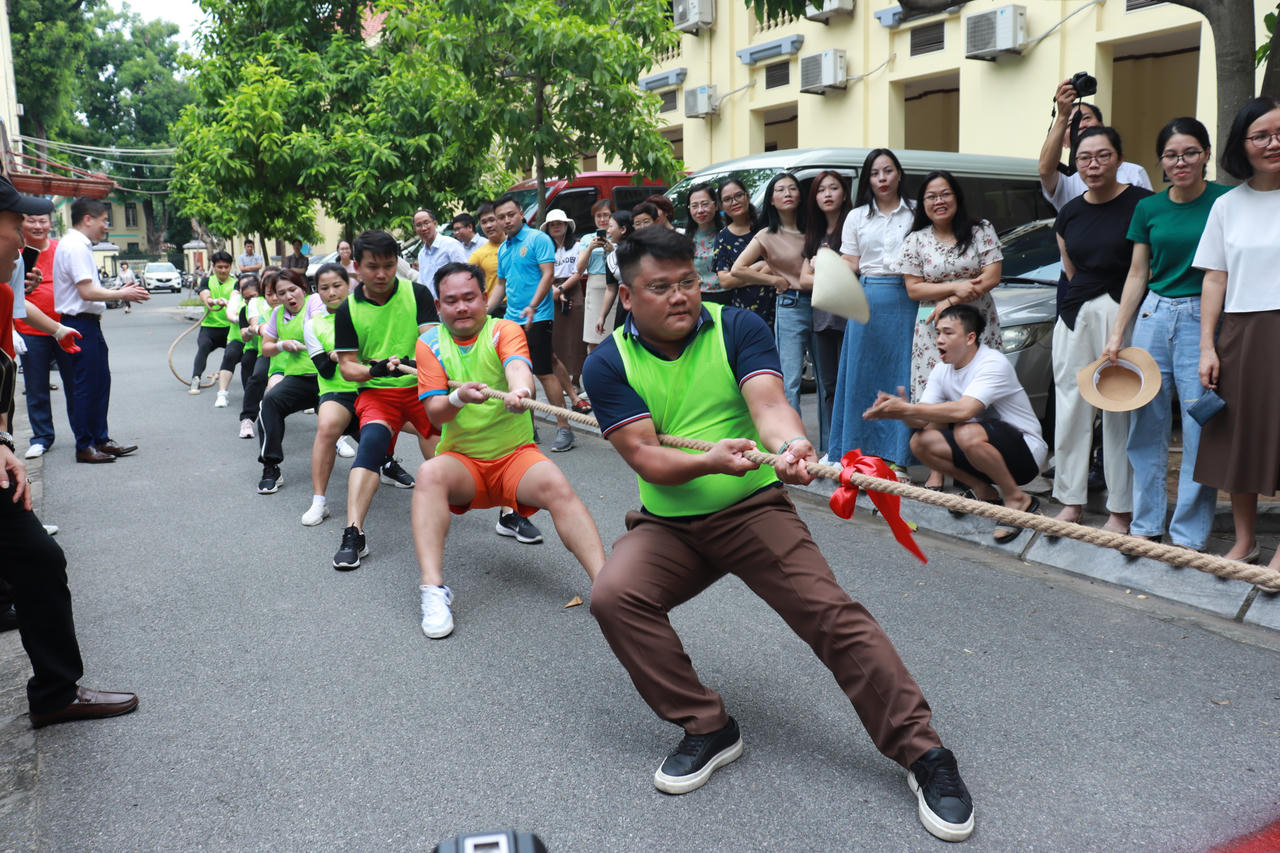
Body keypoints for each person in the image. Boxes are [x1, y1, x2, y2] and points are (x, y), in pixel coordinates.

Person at [582, 227, 974, 843]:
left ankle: (925, 754)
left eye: (687, 281)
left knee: (830, 613)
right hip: (669, 523)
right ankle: (708, 725)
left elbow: (768, 403)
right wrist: (710, 460)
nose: (680, 296)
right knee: (614, 596)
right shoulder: (608, 362)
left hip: (750, 508)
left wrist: (790, 444)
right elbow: (647, 458)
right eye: (660, 287)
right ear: (627, 298)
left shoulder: (737, 326)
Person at [0, 174, 139, 729]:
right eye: (16, 225)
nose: (25, 238)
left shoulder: (7, 286)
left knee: (29, 562)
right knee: (39, 561)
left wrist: (3, 440)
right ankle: (57, 692)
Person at [411, 263, 605, 637]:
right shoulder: (429, 342)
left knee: (556, 485)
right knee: (429, 474)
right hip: (464, 463)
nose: (462, 307)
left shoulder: (505, 329)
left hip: (516, 457)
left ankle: (607, 588)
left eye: (470, 298)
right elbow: (435, 411)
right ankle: (433, 590)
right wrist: (458, 396)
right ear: (438, 306)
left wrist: (522, 392)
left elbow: (518, 369)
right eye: (452, 301)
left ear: (485, 299)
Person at [1102, 117, 1228, 550]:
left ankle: (1189, 537)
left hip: (1202, 317)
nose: (1181, 162)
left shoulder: (1226, 201)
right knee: (1145, 423)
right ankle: (1145, 527)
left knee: (1198, 426)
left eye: (1190, 152)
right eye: (1172, 155)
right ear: (1161, 161)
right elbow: (1138, 274)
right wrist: (1119, 333)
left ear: (1206, 155)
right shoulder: (1149, 208)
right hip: (1153, 316)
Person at [865, 304, 1047, 542]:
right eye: (938, 332)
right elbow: (923, 418)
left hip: (1026, 453)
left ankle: (1017, 498)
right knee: (921, 443)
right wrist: (897, 411)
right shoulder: (941, 371)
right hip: (980, 450)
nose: (939, 339)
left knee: (965, 431)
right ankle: (984, 491)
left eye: (948, 333)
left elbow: (964, 410)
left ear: (970, 337)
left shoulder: (992, 363)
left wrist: (909, 408)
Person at [1192, 95, 1280, 570]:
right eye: (1261, 135)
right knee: (1239, 439)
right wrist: (1207, 345)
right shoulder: (1227, 205)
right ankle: (1245, 541)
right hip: (1242, 333)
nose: (1273, 143)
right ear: (1242, 144)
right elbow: (1215, 278)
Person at [1053, 126, 1150, 532]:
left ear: (1119, 158)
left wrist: (1117, 325)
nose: (1093, 165)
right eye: (1084, 158)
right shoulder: (1069, 212)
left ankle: (1120, 509)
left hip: (1122, 312)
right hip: (1076, 313)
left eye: (1102, 156)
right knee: (1071, 406)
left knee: (1118, 409)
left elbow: (1139, 270)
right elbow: (1070, 268)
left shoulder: (1142, 204)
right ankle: (1070, 501)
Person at [332, 229, 440, 569]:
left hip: (420, 389)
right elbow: (348, 367)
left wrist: (415, 364)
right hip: (377, 394)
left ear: (399, 263)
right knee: (372, 443)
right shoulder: (347, 308)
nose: (381, 274)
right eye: (373, 266)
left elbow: (433, 342)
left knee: (448, 445)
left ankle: (507, 510)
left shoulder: (418, 293)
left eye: (389, 265)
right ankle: (354, 532)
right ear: (357, 267)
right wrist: (374, 371)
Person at [830, 149, 917, 474]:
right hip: (865, 297)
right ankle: (859, 453)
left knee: (902, 375)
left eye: (888, 171)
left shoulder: (915, 213)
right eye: (875, 173)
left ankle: (900, 458)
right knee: (862, 375)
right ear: (868, 178)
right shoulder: (856, 216)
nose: (882, 178)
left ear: (898, 174)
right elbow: (850, 262)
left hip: (907, 297)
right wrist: (824, 265)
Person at [51, 197, 149, 464]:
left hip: (86, 321)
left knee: (99, 382)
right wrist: (122, 293)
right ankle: (85, 445)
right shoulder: (75, 246)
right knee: (86, 385)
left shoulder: (76, 244)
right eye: (104, 220)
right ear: (87, 219)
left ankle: (100, 439)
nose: (106, 226)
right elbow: (86, 291)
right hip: (79, 321)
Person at [487, 194, 575, 454]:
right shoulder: (504, 248)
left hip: (538, 317)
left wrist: (533, 306)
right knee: (516, 371)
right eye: (500, 217)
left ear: (521, 214)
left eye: (510, 215)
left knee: (543, 371)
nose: (506, 220)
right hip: (512, 320)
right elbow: (501, 286)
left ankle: (564, 427)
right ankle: (528, 427)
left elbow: (548, 274)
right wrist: (485, 310)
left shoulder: (538, 239)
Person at [731, 172, 811, 421]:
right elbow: (738, 269)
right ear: (772, 200)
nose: (787, 193)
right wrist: (774, 280)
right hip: (791, 305)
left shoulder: (814, 228)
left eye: (792, 188)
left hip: (824, 305)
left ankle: (831, 447)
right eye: (780, 190)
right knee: (791, 380)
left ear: (800, 195)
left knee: (830, 379)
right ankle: (796, 442)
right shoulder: (766, 235)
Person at [301, 263, 371, 525]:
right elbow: (326, 370)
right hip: (338, 391)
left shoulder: (366, 315)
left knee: (427, 424)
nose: (331, 292)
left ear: (349, 284)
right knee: (327, 427)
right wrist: (339, 355)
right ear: (316, 292)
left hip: (373, 387)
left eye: (337, 285)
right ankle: (319, 501)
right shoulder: (313, 325)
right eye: (324, 288)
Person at [254, 268, 324, 494]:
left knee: (356, 420)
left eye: (292, 290)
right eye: (281, 293)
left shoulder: (315, 302)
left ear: (303, 287)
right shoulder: (277, 314)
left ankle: (384, 461)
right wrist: (281, 345)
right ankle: (271, 466)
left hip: (328, 377)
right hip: (298, 380)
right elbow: (266, 349)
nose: (288, 297)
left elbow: (318, 326)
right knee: (268, 404)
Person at [798, 170, 852, 456]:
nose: (827, 194)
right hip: (821, 320)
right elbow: (803, 279)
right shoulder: (815, 233)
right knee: (828, 387)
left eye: (833, 188)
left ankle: (854, 447)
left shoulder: (853, 227)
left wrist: (823, 266)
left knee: (850, 385)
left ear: (844, 193)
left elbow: (857, 269)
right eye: (821, 190)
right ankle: (835, 449)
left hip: (850, 319)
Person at [1038, 80, 1153, 211]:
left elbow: (1150, 215)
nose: (1081, 125)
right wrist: (1062, 116)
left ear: (1102, 126)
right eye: (1071, 124)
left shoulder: (1134, 172)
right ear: (1063, 141)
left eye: (1086, 118)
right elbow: (1044, 170)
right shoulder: (1065, 180)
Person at [14, 211, 72, 459]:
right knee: (36, 386)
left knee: (75, 383)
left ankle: (84, 433)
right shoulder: (13, 253)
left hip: (65, 328)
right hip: (30, 330)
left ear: (51, 223)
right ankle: (41, 437)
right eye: (31, 220)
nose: (37, 226)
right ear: (22, 223)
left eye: (43, 220)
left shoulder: (62, 250)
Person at [544, 209, 591, 413]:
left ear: (566, 225)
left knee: (577, 335)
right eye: (552, 223)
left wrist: (562, 289)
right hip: (549, 289)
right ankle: (565, 383)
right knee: (558, 337)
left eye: (559, 223)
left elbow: (579, 272)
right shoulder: (545, 247)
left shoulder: (579, 246)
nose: (556, 226)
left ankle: (576, 379)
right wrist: (553, 290)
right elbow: (541, 272)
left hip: (574, 289)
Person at [713, 177, 775, 328]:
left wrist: (742, 273)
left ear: (747, 196)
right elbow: (726, 281)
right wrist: (759, 267)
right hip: (744, 311)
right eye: (727, 199)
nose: (734, 202)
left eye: (738, 195)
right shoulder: (722, 237)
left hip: (776, 304)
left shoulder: (767, 225)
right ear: (721, 205)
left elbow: (780, 263)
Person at [188, 250, 240, 407]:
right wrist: (214, 300)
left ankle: (253, 384)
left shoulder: (236, 283)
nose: (223, 270)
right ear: (213, 267)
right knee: (203, 347)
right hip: (209, 327)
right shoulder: (206, 280)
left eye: (226, 267)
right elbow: (205, 296)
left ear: (230, 267)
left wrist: (229, 302)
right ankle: (195, 379)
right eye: (219, 267)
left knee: (240, 354)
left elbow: (236, 298)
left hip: (230, 328)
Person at [562, 199, 616, 350]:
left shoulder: (618, 236)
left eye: (606, 215)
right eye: (598, 216)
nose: (602, 219)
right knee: (593, 338)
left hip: (614, 287)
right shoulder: (587, 239)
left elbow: (625, 264)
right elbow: (579, 269)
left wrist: (612, 250)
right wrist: (590, 248)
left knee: (613, 337)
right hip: (594, 286)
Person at [589, 209, 634, 343]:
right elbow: (611, 289)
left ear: (623, 229)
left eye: (610, 226)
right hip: (623, 309)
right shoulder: (612, 257)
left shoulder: (640, 251)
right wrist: (602, 316)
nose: (607, 230)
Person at [683, 183, 726, 305]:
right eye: (694, 206)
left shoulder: (729, 233)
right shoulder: (685, 238)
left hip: (727, 295)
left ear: (716, 205)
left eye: (705, 204)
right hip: (698, 297)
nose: (700, 210)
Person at [413, 208, 467, 297]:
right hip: (432, 306)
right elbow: (422, 282)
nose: (423, 228)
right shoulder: (421, 254)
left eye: (426, 223)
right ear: (415, 229)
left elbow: (464, 274)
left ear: (434, 223)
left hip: (452, 301)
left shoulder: (451, 245)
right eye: (418, 225)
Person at [467, 202, 504, 310]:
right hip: (496, 308)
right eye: (484, 222)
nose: (488, 225)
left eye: (492, 220)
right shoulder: (478, 255)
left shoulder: (517, 246)